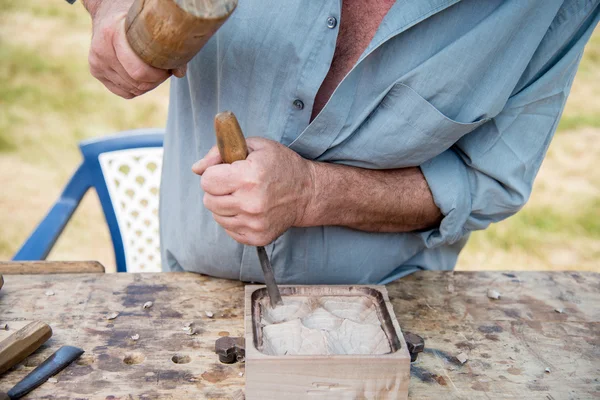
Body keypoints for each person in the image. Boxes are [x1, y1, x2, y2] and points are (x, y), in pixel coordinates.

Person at [81, 0, 599, 284]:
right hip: (189, 293)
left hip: (388, 314)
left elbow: (486, 182)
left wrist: (312, 193)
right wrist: (108, 7)